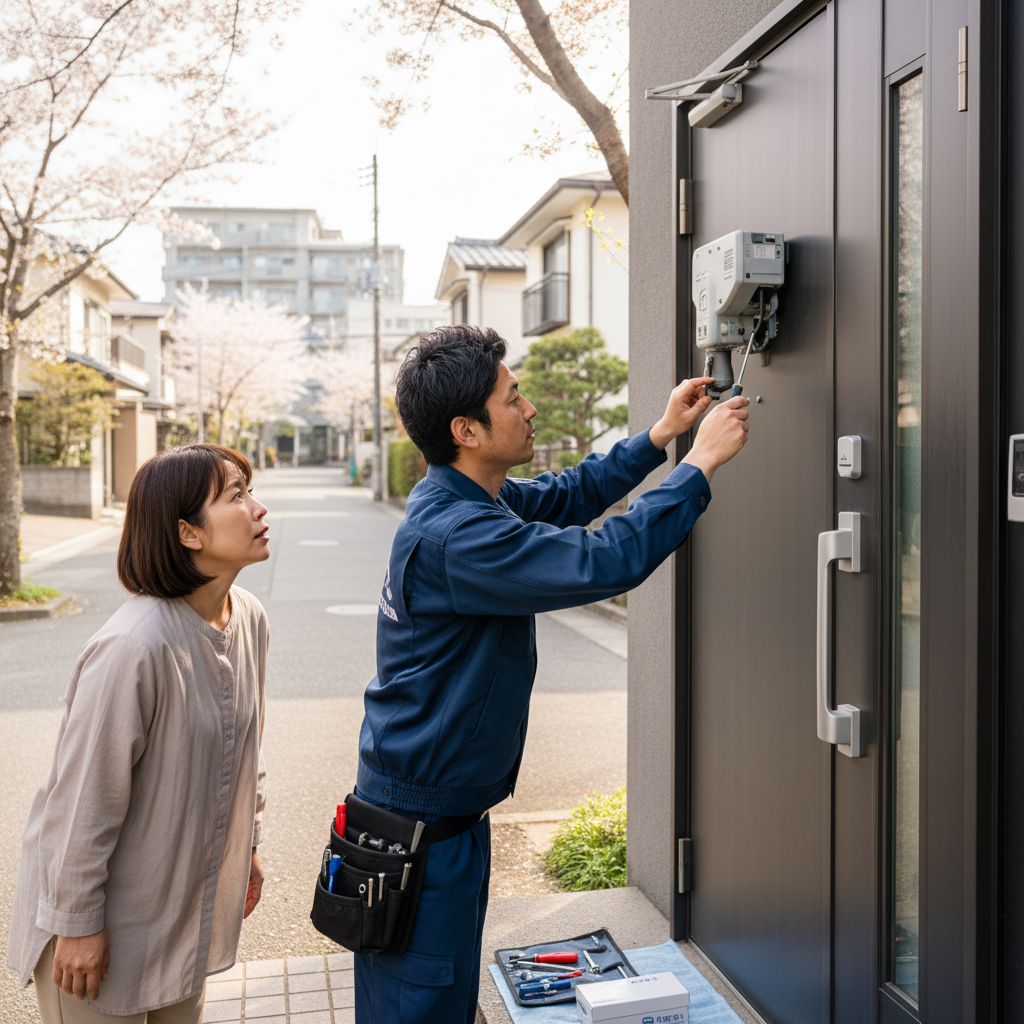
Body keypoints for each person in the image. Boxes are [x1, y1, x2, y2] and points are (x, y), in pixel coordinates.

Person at [351, 325, 750, 1022]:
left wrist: (659, 436)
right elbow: (601, 561)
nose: (529, 408)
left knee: (436, 999)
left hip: (437, 819)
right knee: (419, 1007)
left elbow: (570, 495)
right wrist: (698, 468)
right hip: (420, 834)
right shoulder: (458, 535)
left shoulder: (468, 499)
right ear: (466, 429)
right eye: (514, 397)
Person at [7, 444, 271, 1024]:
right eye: (236, 495)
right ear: (187, 533)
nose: (257, 507)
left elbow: (246, 746)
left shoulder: (246, 615)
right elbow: (82, 803)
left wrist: (247, 844)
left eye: (249, 491)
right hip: (102, 922)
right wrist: (77, 925)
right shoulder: (134, 647)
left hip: (180, 904)